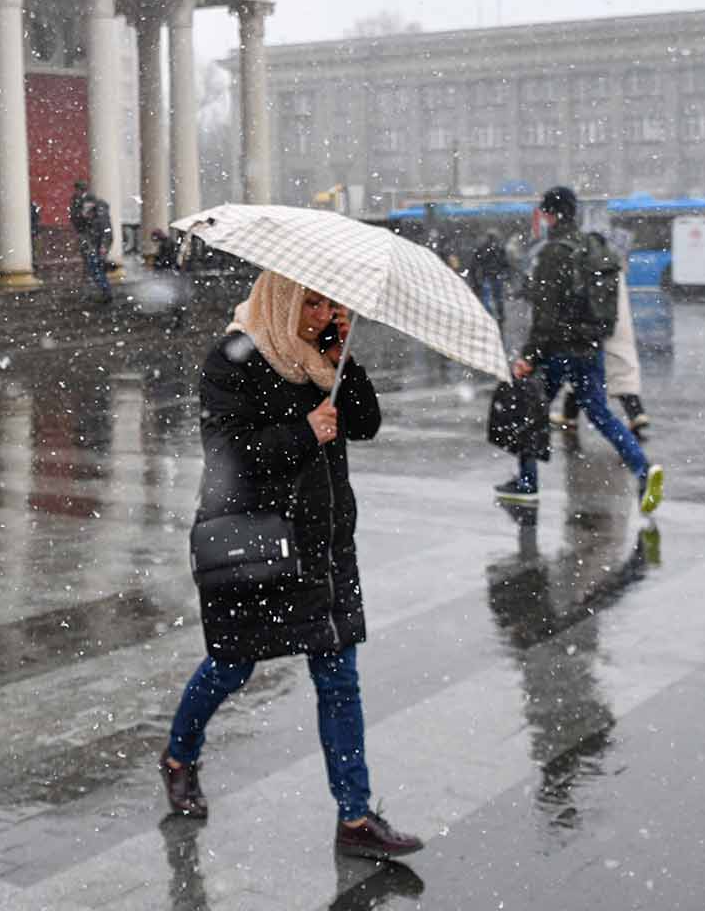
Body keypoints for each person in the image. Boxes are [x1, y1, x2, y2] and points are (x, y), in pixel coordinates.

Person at [159, 270, 425, 861]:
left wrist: (343, 361)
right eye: (310, 303)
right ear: (279, 300)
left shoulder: (323, 360)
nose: (322, 314)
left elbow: (366, 424)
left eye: (330, 303)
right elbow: (226, 455)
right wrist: (303, 433)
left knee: (338, 679)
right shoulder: (234, 358)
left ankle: (355, 818)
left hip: (323, 549)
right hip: (258, 548)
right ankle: (179, 756)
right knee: (231, 668)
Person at [497, 187, 665, 513]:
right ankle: (643, 469)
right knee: (601, 415)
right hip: (590, 348)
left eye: (544, 213)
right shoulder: (592, 247)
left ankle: (527, 483)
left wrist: (529, 356)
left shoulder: (553, 253)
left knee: (530, 412)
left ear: (550, 215)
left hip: (558, 350)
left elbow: (545, 316)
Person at [556, 282, 653, 440]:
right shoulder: (614, 272)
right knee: (621, 360)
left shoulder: (583, 272)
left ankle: (569, 415)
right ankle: (636, 411)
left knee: (581, 360)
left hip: (590, 307)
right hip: (613, 304)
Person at [70, 180, 113, 303]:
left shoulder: (98, 212)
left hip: (96, 244)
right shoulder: (79, 204)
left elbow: (106, 231)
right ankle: (99, 292)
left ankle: (105, 292)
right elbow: (78, 222)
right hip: (90, 243)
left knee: (95, 268)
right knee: (91, 268)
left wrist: (103, 246)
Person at [467, 230, 511, 323]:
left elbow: (475, 264)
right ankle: (497, 316)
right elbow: (505, 264)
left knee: (490, 299)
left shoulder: (485, 249)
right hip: (493, 276)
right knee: (495, 298)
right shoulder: (497, 249)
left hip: (490, 276)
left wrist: (475, 278)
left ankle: (492, 317)